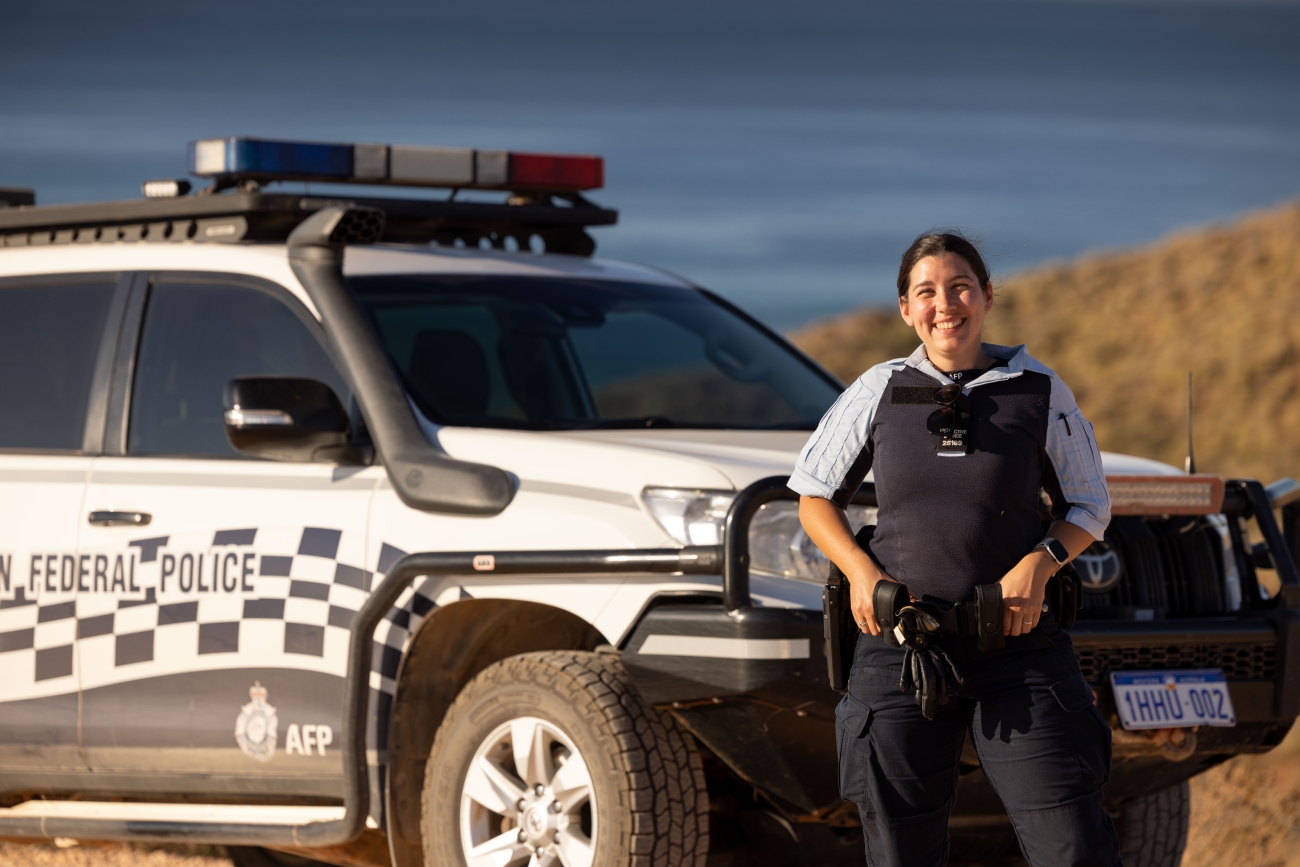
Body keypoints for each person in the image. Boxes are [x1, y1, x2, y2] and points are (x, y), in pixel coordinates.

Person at [791, 232, 1120, 866]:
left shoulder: (1040, 390)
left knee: (1073, 846)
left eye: (961, 286)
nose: (946, 304)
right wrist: (860, 572)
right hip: (900, 649)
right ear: (906, 310)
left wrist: (1040, 565)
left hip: (1019, 654)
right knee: (898, 851)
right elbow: (813, 494)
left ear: (988, 297)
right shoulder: (878, 390)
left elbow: (1090, 506)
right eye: (927, 292)